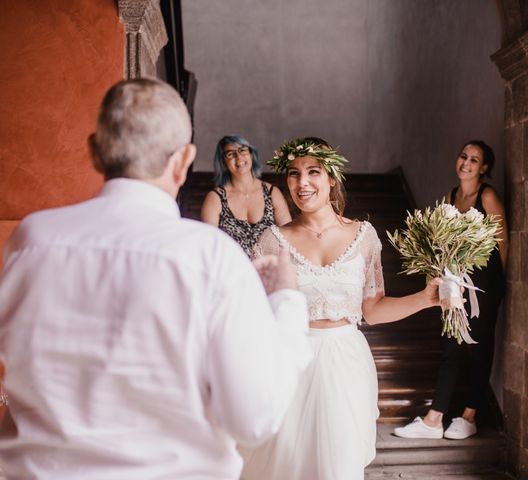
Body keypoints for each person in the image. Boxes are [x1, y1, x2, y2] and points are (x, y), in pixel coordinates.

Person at [0, 78, 312, 479]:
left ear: (95, 152)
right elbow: (254, 419)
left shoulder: (30, 240)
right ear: (183, 160)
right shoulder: (213, 257)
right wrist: (287, 303)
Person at [240, 137, 444, 480]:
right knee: (287, 463)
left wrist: (425, 299)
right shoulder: (271, 241)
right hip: (292, 360)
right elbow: (256, 315)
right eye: (293, 174)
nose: (302, 183)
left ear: (332, 177)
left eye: (313, 172)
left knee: (339, 465)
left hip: (346, 362)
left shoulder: (364, 236)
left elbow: (373, 310)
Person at [394, 140, 508, 440]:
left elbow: (502, 242)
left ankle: (469, 416)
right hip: (455, 282)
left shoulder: (488, 196)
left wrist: (496, 284)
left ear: (483, 168)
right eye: (463, 156)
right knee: (451, 347)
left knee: (479, 348)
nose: (466, 163)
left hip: (485, 285)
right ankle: (434, 419)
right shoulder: (450, 196)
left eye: (474, 159)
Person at [201, 136, 291, 255]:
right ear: (223, 161)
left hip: (270, 269)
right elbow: (208, 246)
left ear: (251, 154)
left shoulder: (272, 193)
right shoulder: (215, 198)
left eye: (243, 150)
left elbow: (289, 238)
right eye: (230, 154)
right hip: (231, 270)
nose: (238, 157)